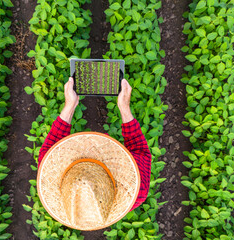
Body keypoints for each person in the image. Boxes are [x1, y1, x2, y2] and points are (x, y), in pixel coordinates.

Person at [37, 77, 152, 212]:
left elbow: (49, 150)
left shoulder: (64, 200)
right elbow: (139, 150)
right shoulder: (138, 192)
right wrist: (124, 107)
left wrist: (71, 105)